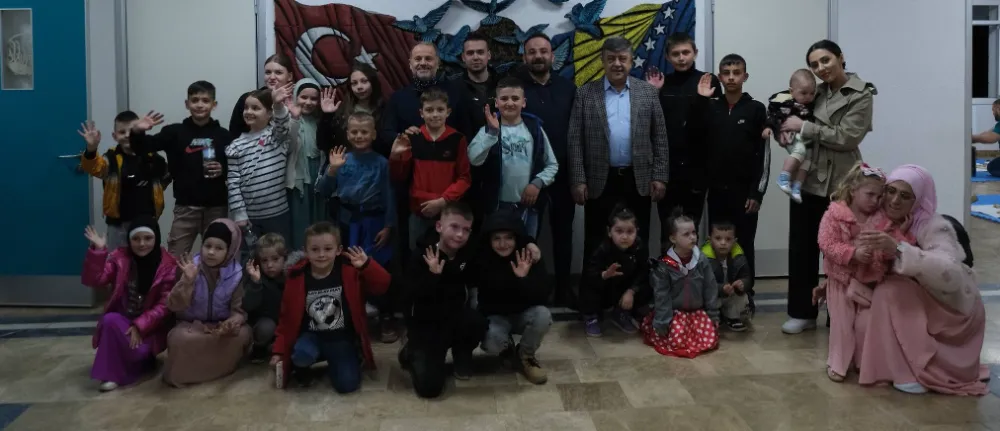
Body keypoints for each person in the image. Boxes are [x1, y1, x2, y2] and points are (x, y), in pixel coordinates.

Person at [849, 165, 987, 395]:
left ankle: (914, 371)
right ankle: (891, 369)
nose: (894, 201)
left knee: (890, 290)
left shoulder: (934, 226)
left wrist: (898, 249)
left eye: (905, 196)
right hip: (914, 300)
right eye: (891, 191)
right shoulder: (877, 220)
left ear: (918, 200)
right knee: (864, 317)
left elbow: (951, 273)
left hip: (949, 306)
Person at [781, 40, 877, 335]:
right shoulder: (814, 90)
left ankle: (841, 311)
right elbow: (791, 117)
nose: (821, 68)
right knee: (801, 249)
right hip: (808, 178)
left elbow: (847, 137)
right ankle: (802, 311)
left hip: (842, 184)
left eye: (825, 60)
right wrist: (785, 133)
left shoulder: (861, 93)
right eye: (814, 64)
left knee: (842, 250)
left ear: (840, 57)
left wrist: (804, 127)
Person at [568, 36, 669, 262]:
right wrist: (578, 180)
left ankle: (638, 284)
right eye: (611, 58)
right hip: (599, 179)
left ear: (631, 61)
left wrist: (660, 176)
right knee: (596, 239)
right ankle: (595, 286)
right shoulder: (585, 93)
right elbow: (575, 140)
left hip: (638, 178)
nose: (617, 64)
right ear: (602, 61)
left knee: (638, 238)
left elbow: (660, 138)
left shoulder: (648, 93)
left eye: (622, 58)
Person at [815, 162, 913, 382]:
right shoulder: (834, 215)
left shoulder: (882, 219)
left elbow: (891, 248)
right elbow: (826, 243)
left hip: (869, 282)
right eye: (870, 195)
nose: (876, 201)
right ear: (853, 191)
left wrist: (900, 235)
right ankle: (838, 363)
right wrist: (852, 253)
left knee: (866, 324)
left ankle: (863, 362)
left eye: (879, 196)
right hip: (841, 282)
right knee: (842, 325)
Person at [270, 222, 390, 392]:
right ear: (305, 251)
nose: (321, 255)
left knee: (347, 385)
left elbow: (383, 285)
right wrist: (279, 351)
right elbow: (286, 318)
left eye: (327, 249)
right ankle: (303, 367)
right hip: (310, 336)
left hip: (340, 337)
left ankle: (349, 356)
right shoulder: (296, 277)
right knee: (301, 355)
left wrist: (367, 266)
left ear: (338, 250)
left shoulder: (350, 270)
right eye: (315, 249)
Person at [127, 81, 231, 257]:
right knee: (175, 258)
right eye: (195, 100)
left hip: (216, 207)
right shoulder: (174, 132)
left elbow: (237, 168)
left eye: (205, 100)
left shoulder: (223, 135)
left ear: (214, 105)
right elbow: (142, 148)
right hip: (185, 208)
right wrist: (137, 131)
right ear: (187, 104)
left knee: (217, 258)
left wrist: (224, 169)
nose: (200, 105)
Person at [693, 54, 768, 290]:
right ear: (720, 77)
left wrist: (756, 193)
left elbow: (763, 156)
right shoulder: (711, 107)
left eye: (737, 72)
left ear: (745, 76)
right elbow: (694, 136)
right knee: (717, 244)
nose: (732, 77)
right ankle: (716, 292)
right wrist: (701, 100)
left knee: (743, 244)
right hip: (716, 192)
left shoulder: (756, 109)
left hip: (745, 194)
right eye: (726, 73)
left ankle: (746, 294)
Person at [398, 202, 487, 398]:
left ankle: (461, 355)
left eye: (466, 230)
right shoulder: (421, 256)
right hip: (426, 326)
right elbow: (410, 298)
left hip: (453, 318)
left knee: (478, 322)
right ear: (439, 226)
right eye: (454, 227)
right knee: (430, 388)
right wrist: (433, 276)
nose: (460, 235)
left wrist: (530, 243)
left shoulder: (468, 252)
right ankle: (411, 352)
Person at [81, 217, 177, 392]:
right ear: (129, 240)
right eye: (136, 239)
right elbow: (94, 280)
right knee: (110, 320)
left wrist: (140, 326)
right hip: (124, 322)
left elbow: (165, 305)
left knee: (138, 351)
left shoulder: (168, 265)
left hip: (151, 328)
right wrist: (99, 251)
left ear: (156, 238)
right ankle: (111, 375)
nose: (142, 244)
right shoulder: (120, 258)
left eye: (148, 238)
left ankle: (144, 363)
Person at [520, 33, 578, 307]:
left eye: (543, 51)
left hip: (564, 175)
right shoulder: (516, 90)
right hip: (528, 178)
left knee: (564, 235)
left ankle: (564, 290)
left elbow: (577, 133)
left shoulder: (568, 88)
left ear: (553, 56)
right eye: (532, 52)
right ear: (524, 57)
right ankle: (529, 293)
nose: (538, 56)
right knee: (527, 237)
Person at [646, 32, 722, 239]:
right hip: (668, 169)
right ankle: (667, 262)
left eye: (686, 52)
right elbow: (652, 126)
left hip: (696, 170)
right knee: (668, 229)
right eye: (676, 54)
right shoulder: (662, 83)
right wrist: (654, 93)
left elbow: (713, 124)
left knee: (690, 230)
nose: (681, 58)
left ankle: (691, 262)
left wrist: (702, 99)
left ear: (695, 53)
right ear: (668, 57)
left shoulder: (707, 81)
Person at [163, 219, 251, 387]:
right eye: (207, 246)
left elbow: (239, 311)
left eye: (219, 248)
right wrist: (187, 282)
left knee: (243, 334)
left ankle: (218, 369)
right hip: (191, 327)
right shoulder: (191, 267)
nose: (211, 252)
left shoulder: (236, 274)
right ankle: (189, 374)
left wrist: (230, 324)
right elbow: (174, 306)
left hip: (220, 326)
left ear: (229, 250)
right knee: (178, 339)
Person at [468, 76, 560, 237]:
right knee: (499, 247)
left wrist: (537, 183)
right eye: (504, 98)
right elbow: (473, 159)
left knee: (527, 247)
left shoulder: (535, 129)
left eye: (515, 98)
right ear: (496, 103)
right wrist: (492, 134)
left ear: (523, 102)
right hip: (497, 206)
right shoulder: (488, 130)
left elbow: (552, 164)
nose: (509, 103)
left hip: (528, 207)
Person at [473, 210, 552, 385]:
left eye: (509, 238)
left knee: (543, 315)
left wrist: (523, 279)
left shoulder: (529, 256)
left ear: (516, 238)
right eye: (497, 238)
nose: (503, 244)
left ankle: (526, 356)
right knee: (490, 339)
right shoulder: (481, 258)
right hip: (496, 316)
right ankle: (508, 350)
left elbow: (543, 294)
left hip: (524, 313)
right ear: (489, 240)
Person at [389, 88, 471, 251]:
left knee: (447, 255)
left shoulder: (457, 139)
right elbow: (399, 176)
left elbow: (464, 178)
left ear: (448, 112)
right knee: (417, 255)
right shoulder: (412, 138)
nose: (435, 114)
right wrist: (395, 157)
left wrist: (443, 201)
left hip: (447, 212)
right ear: (421, 113)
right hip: (419, 211)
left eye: (440, 110)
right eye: (429, 110)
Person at [78, 112, 170, 251]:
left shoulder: (154, 158)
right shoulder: (111, 158)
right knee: (116, 259)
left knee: (147, 258)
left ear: (140, 132)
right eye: (122, 132)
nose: (127, 135)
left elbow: (166, 177)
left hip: (147, 222)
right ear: (114, 136)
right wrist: (91, 149)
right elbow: (94, 168)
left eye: (132, 131)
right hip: (118, 224)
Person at [316, 112, 395, 269]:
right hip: (346, 221)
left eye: (364, 132)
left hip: (373, 222)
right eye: (354, 132)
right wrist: (332, 170)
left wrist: (388, 226)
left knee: (372, 264)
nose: (359, 136)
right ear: (347, 134)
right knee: (346, 263)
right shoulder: (340, 160)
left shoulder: (382, 163)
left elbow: (390, 197)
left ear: (373, 134)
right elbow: (324, 191)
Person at [226, 83, 297, 252]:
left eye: (256, 108)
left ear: (269, 113)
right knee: (250, 258)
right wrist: (239, 214)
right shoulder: (236, 145)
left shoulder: (276, 137)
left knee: (280, 256)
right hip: (249, 218)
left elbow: (282, 124)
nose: (249, 111)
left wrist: (278, 105)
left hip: (277, 214)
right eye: (246, 107)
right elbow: (233, 183)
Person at [641, 208, 720, 358]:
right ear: (673, 238)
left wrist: (713, 315)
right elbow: (662, 295)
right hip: (674, 314)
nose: (692, 237)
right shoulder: (665, 266)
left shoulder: (701, 260)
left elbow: (710, 287)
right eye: (686, 234)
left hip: (697, 313)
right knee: (675, 340)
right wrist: (663, 321)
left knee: (707, 339)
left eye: (694, 233)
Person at [449, 33, 502, 221]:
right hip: (465, 170)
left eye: (480, 52)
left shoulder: (503, 85)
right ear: (463, 57)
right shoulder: (453, 89)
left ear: (489, 55)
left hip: (501, 168)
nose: (476, 57)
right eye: (470, 53)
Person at [578, 206, 650, 337]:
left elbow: (643, 272)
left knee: (648, 284)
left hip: (624, 288)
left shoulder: (639, 247)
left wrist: (631, 291)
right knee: (589, 286)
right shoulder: (602, 248)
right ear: (609, 232)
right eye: (619, 231)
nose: (625, 237)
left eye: (630, 232)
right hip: (604, 287)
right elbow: (590, 275)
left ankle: (622, 313)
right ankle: (591, 316)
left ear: (637, 231)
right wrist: (605, 274)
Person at [286, 78, 328, 250]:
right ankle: (299, 255)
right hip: (299, 178)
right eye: (304, 97)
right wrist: (294, 118)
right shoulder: (288, 120)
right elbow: (287, 146)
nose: (308, 102)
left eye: (313, 98)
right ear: (296, 97)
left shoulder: (319, 121)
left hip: (317, 175)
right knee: (300, 220)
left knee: (318, 219)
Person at [764, 69, 817, 203]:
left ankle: (797, 187)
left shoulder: (812, 105)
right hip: (791, 135)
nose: (808, 97)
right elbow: (772, 117)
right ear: (791, 91)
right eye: (803, 93)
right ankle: (783, 177)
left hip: (807, 137)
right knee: (800, 151)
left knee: (808, 160)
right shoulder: (783, 103)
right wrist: (771, 129)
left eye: (812, 93)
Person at [243, 233, 295, 362]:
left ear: (284, 258)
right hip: (265, 321)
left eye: (275, 259)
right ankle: (259, 348)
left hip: (287, 320)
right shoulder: (256, 277)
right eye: (264, 261)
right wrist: (256, 284)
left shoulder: (293, 275)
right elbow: (248, 305)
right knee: (266, 328)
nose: (270, 265)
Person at [700, 221, 752, 332]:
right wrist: (721, 289)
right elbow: (703, 285)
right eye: (718, 238)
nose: (723, 243)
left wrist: (743, 283)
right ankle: (715, 315)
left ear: (735, 241)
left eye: (728, 239)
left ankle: (733, 317)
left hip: (731, 294)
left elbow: (747, 277)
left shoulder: (739, 258)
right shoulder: (703, 260)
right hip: (713, 296)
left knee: (742, 297)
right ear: (710, 240)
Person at [229, 54, 295, 140]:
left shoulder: (297, 100)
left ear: (289, 76)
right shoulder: (248, 99)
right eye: (268, 72)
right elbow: (235, 133)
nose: (272, 77)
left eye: (278, 72)